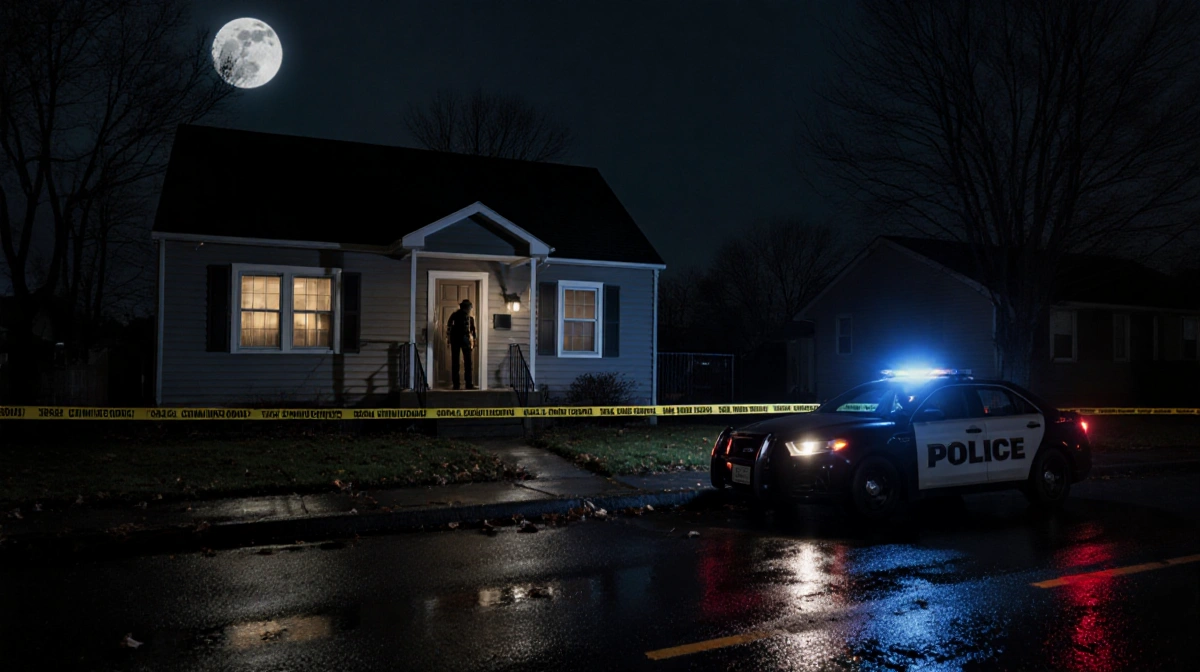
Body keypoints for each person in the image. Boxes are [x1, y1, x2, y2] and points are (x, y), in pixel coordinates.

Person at [446, 299, 477, 390]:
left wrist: (473, 340)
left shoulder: (469, 318)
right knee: (460, 363)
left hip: (463, 340)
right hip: (458, 339)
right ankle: (460, 384)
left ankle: (464, 384)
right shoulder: (456, 315)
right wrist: (449, 338)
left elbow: (472, 330)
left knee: (465, 363)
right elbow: (449, 327)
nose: (469, 309)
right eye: (469, 307)